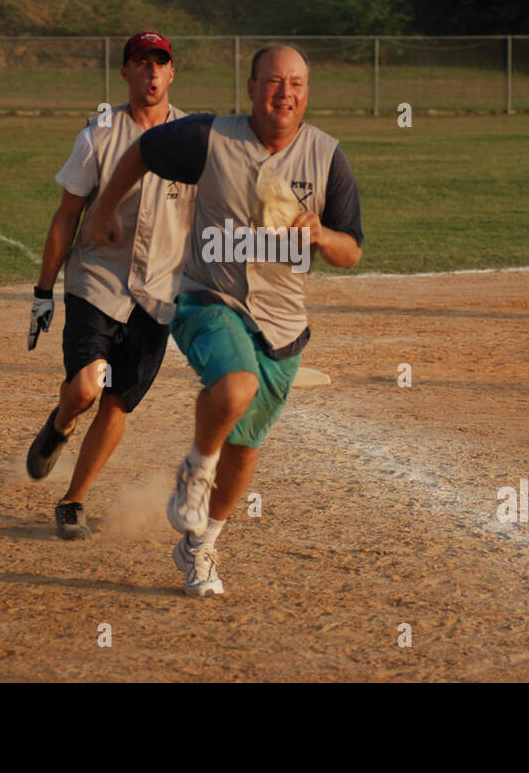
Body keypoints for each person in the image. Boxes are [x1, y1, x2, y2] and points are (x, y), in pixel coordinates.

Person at [85, 45, 364, 596]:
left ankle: (200, 546)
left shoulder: (327, 156)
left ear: (307, 92)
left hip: (283, 323)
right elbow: (143, 150)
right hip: (208, 299)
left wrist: (322, 235)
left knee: (245, 447)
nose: (285, 93)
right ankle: (193, 471)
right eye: (274, 81)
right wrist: (104, 207)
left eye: (297, 83)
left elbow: (351, 249)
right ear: (252, 87)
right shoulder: (211, 138)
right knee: (235, 387)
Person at [26, 32, 195, 540]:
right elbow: (66, 217)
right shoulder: (99, 135)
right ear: (125, 74)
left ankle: (73, 500)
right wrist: (42, 291)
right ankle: (60, 422)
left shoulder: (193, 138)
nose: (150, 73)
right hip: (97, 280)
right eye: (141, 64)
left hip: (159, 292)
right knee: (85, 388)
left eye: (159, 64)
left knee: (117, 399)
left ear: (171, 73)